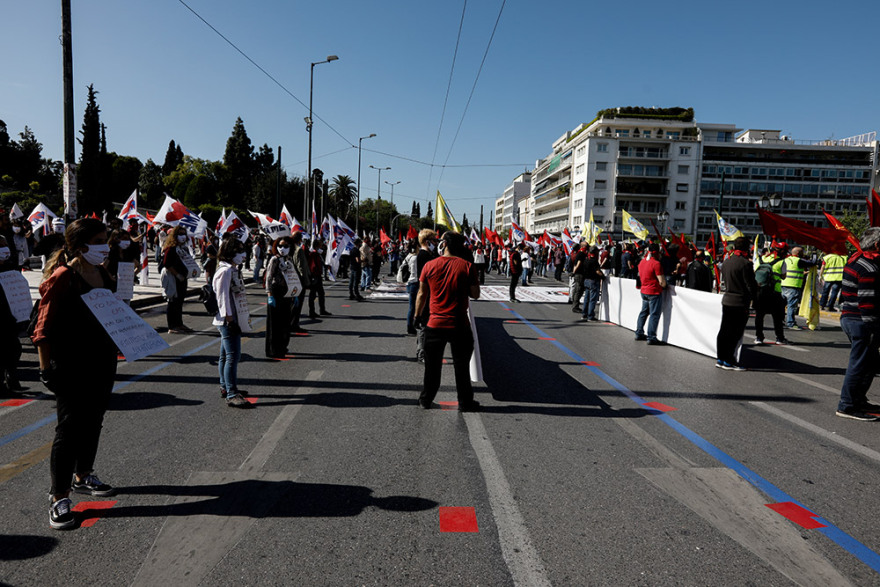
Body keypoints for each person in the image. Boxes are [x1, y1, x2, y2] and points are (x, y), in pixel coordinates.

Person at [32, 218, 118, 530]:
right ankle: (58, 496)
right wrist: (45, 370)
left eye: (106, 240)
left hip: (102, 362)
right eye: (99, 241)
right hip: (70, 365)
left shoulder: (103, 273)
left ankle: (83, 475)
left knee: (94, 421)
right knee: (68, 430)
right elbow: (42, 329)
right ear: (80, 246)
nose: (105, 247)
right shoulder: (63, 277)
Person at [415, 231, 480, 411]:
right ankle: (465, 403)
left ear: (444, 245)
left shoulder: (429, 265)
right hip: (459, 324)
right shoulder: (467, 266)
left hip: (434, 324)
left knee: (432, 367)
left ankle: (425, 399)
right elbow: (475, 294)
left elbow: (421, 294)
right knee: (461, 367)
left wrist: (417, 316)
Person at [836, 227, 880, 421]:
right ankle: (847, 405)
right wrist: (874, 328)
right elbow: (867, 302)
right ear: (877, 244)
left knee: (869, 364)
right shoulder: (869, 268)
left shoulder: (855, 260)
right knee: (859, 365)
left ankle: (858, 400)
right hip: (862, 322)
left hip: (851, 317)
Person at [213, 237, 252, 408]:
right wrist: (230, 320)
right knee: (232, 357)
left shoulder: (232, 269)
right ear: (229, 252)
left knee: (225, 356)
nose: (243, 254)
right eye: (239, 250)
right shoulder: (225, 271)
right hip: (227, 320)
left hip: (229, 318)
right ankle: (231, 393)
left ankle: (225, 386)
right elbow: (222, 298)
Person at [715, 237, 758, 370]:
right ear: (746, 248)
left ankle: (720, 358)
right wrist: (755, 294)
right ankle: (729, 361)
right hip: (740, 301)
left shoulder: (727, 261)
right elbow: (750, 285)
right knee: (735, 332)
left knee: (724, 330)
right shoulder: (745, 264)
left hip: (727, 299)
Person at [0, 235, 25, 396]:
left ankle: (11, 376)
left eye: (5, 245)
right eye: (0, 246)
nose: (4, 249)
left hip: (10, 316)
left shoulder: (9, 267)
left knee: (14, 348)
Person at [160, 226, 194, 333]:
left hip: (182, 278)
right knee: (173, 302)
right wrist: (177, 274)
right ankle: (172, 326)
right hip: (173, 278)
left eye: (184, 234)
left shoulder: (183, 248)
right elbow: (166, 263)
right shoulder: (170, 248)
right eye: (180, 234)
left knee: (179, 301)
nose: (182, 236)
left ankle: (179, 324)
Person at [264, 237, 293, 358]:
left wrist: (294, 293)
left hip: (287, 293)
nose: (282, 249)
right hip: (276, 293)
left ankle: (282, 346)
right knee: (274, 324)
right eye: (280, 246)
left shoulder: (289, 260)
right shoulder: (274, 260)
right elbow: (269, 278)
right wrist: (270, 295)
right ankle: (273, 349)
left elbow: (292, 277)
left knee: (285, 322)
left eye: (286, 246)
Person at [754, 245, 789, 345]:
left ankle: (759, 338)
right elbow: (784, 276)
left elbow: (754, 272)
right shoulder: (781, 261)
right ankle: (779, 338)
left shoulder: (760, 259)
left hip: (760, 291)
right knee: (777, 317)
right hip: (775, 292)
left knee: (759, 316)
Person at [635, 243, 667, 345]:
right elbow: (662, 282)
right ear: (657, 252)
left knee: (644, 312)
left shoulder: (642, 262)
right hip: (654, 292)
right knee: (654, 314)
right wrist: (665, 285)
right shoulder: (656, 264)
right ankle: (651, 337)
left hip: (644, 291)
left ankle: (639, 332)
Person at [414, 230, 439, 361]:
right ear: (427, 242)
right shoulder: (423, 256)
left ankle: (423, 349)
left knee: (427, 325)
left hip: (430, 293)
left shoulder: (428, 254)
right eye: (434, 240)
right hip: (426, 294)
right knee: (423, 325)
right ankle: (421, 352)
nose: (436, 243)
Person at [779, 246, 817, 330]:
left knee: (782, 306)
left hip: (783, 285)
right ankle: (791, 323)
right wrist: (814, 253)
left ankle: (780, 321)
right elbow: (813, 262)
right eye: (802, 252)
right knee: (791, 306)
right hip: (794, 286)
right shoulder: (799, 261)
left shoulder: (785, 260)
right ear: (798, 253)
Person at [288, 231, 312, 334]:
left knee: (293, 303)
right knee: (297, 304)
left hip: (291, 279)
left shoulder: (289, 248)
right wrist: (306, 281)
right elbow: (301, 267)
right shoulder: (299, 250)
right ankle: (294, 324)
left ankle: (291, 323)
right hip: (299, 280)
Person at [308, 239, 331, 319]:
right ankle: (312, 311)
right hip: (315, 276)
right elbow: (313, 266)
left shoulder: (317, 254)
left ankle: (322, 309)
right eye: (320, 245)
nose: (322, 246)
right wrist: (315, 274)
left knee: (321, 293)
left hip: (318, 276)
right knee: (313, 294)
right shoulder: (313, 254)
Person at [580, 247, 605, 322]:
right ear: (595, 252)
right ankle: (590, 316)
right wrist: (603, 276)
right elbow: (597, 271)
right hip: (593, 281)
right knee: (592, 299)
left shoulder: (586, 260)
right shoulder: (594, 261)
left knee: (586, 298)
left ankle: (584, 314)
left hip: (586, 280)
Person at [403, 243, 419, 335]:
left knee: (412, 306)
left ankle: (410, 326)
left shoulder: (409, 256)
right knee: (413, 307)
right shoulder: (415, 258)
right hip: (414, 282)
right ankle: (410, 327)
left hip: (410, 282)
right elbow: (415, 272)